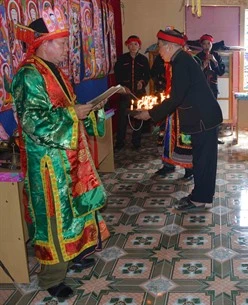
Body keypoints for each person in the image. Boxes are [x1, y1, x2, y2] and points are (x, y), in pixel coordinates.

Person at [12, 12, 109, 300]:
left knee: (77, 209)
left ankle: (76, 254)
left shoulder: (54, 70)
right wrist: (72, 114)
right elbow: (32, 121)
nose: (67, 50)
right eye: (62, 44)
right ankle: (51, 278)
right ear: (44, 44)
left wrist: (88, 110)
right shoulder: (29, 74)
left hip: (69, 156)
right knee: (54, 217)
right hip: (48, 163)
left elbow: (67, 106)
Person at [134, 29, 223, 210]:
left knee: (204, 161)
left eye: (160, 47)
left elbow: (175, 97)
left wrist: (151, 114)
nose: (159, 51)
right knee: (201, 159)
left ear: (169, 46)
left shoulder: (181, 62)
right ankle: (201, 195)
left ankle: (201, 199)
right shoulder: (181, 59)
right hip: (202, 117)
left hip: (203, 118)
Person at [152, 29, 194, 181]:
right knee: (166, 136)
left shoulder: (184, 60)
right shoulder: (164, 59)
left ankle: (189, 169)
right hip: (169, 103)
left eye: (160, 46)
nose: (159, 50)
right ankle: (168, 164)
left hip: (182, 107)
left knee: (184, 139)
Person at [114, 35, 150, 150]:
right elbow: (117, 75)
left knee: (138, 117)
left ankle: (136, 142)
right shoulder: (121, 59)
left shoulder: (144, 60)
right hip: (126, 93)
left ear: (139, 46)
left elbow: (147, 75)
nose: (133, 47)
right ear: (127, 46)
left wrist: (142, 82)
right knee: (122, 119)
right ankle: (120, 142)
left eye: (136, 44)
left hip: (139, 94)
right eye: (130, 44)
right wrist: (123, 87)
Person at [196, 34, 226, 144]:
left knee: (213, 112)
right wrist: (203, 66)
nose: (207, 46)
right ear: (201, 45)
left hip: (213, 89)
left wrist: (214, 61)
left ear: (212, 44)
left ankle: (214, 136)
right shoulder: (198, 57)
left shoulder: (216, 56)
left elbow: (221, 72)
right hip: (201, 89)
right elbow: (194, 74)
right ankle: (202, 136)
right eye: (204, 44)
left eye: (209, 43)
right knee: (202, 112)